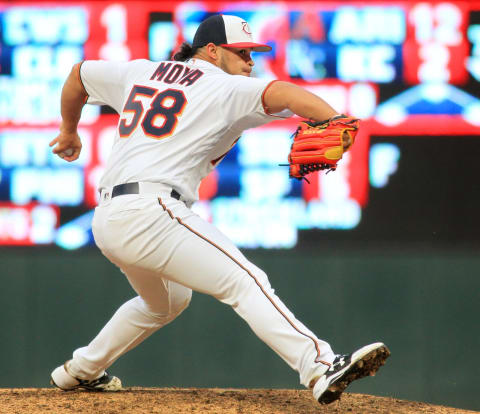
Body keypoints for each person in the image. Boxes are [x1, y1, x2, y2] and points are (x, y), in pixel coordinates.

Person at [49, 14, 389, 405]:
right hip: (152, 211)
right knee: (246, 280)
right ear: (211, 51)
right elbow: (286, 92)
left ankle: (82, 370)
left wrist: (69, 130)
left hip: (109, 218)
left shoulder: (142, 71)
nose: (250, 61)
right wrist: (333, 118)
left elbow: (78, 75)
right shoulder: (224, 86)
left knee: (167, 301)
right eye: (241, 52)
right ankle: (320, 366)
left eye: (251, 54)